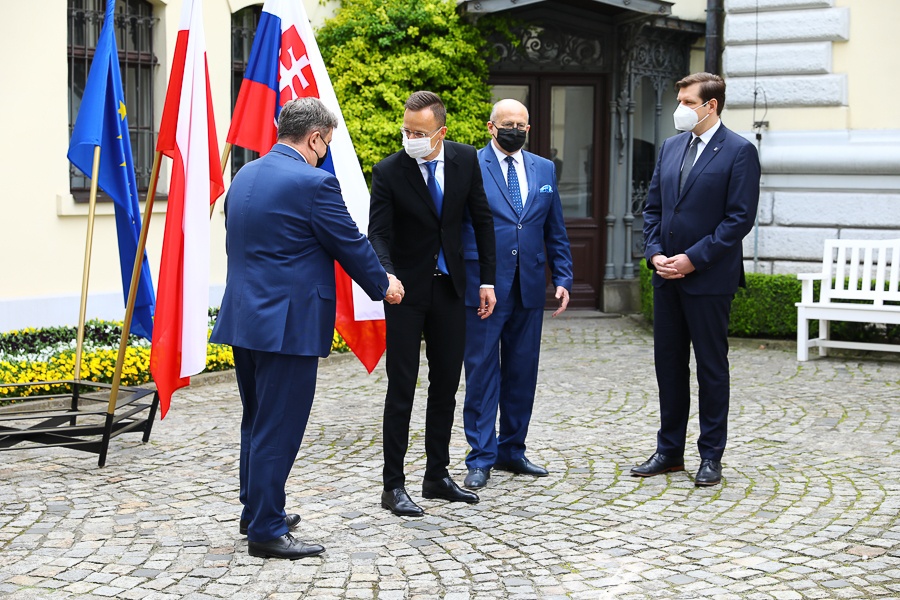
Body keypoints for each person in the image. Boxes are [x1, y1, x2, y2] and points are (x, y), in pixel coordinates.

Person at [210, 97, 405, 559]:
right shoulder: (314, 183)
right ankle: (266, 532)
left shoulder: (243, 175)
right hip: (287, 323)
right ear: (315, 137)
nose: (325, 153)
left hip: (244, 317)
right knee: (279, 427)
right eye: (326, 144)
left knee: (257, 420)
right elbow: (350, 244)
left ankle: (257, 508)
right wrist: (384, 283)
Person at [369, 91, 497, 516]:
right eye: (406, 130)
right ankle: (394, 485)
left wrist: (488, 281)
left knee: (445, 385)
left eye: (419, 132)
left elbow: (481, 221)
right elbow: (379, 234)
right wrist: (386, 274)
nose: (411, 138)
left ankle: (437, 476)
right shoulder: (389, 170)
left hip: (450, 290)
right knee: (401, 387)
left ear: (441, 132)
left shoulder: (464, 160)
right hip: (404, 293)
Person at [634, 72, 760, 487]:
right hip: (666, 278)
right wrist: (654, 255)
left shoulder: (739, 151)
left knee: (710, 368)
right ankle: (669, 452)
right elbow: (652, 208)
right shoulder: (671, 147)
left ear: (712, 106)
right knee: (668, 367)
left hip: (708, 279)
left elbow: (738, 220)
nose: (681, 109)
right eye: (681, 101)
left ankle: (711, 456)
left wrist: (692, 259)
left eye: (689, 102)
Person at [460, 99, 573, 490]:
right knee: (481, 372)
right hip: (485, 287)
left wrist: (563, 277)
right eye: (509, 123)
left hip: (529, 287)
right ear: (491, 127)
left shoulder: (544, 168)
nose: (516, 130)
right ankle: (480, 456)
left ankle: (513, 449)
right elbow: (458, 227)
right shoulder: (470, 165)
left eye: (522, 124)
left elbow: (553, 227)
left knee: (522, 373)